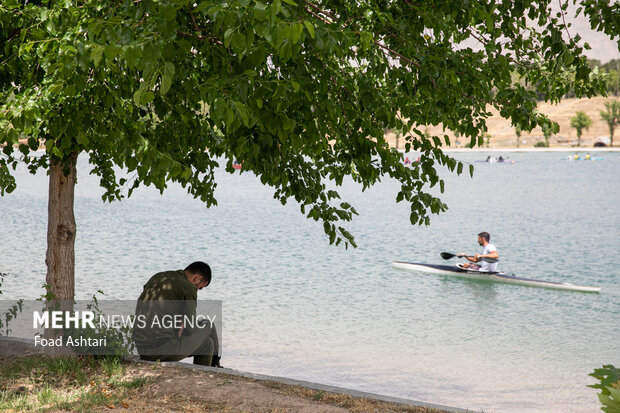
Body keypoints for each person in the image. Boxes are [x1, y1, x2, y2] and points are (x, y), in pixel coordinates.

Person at [133, 261, 222, 367]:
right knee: (208, 325)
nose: (198, 290)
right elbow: (189, 328)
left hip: (142, 348)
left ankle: (207, 372)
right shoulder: (188, 288)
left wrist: (177, 320)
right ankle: (216, 364)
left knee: (207, 344)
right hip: (162, 350)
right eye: (200, 287)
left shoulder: (158, 277)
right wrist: (182, 324)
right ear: (197, 279)